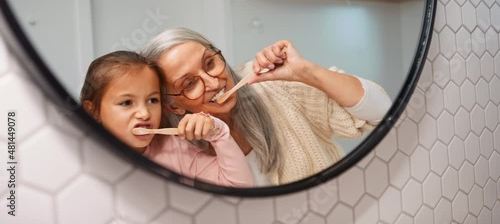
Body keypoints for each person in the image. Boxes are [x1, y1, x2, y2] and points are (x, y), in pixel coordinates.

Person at [141, 27, 392, 186]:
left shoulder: (272, 84)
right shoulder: (175, 154)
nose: (212, 81)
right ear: (173, 106)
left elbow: (382, 111)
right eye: (190, 83)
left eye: (209, 63)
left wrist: (305, 72)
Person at [79, 50, 254, 187]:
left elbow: (238, 187)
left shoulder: (176, 151)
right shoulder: (78, 156)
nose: (144, 113)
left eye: (152, 100)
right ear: (93, 111)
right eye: (126, 103)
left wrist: (217, 132)